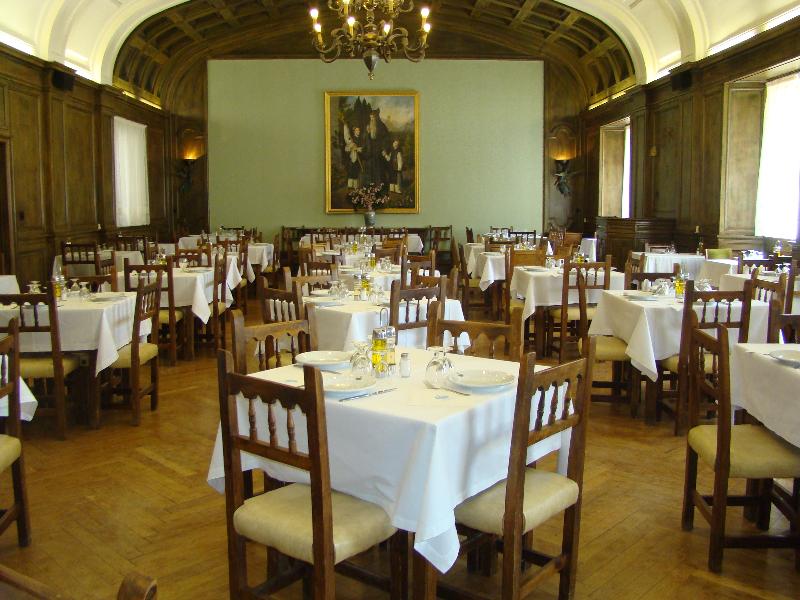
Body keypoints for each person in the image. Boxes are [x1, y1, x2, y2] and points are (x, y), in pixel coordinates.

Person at [343, 124, 364, 189]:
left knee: (357, 173)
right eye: (357, 130)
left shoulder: (361, 139)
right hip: (352, 158)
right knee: (351, 172)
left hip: (359, 158)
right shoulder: (351, 139)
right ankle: (350, 187)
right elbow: (346, 149)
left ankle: (356, 187)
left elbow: (363, 148)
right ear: (354, 131)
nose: (358, 131)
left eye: (359, 130)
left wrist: (358, 149)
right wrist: (352, 147)